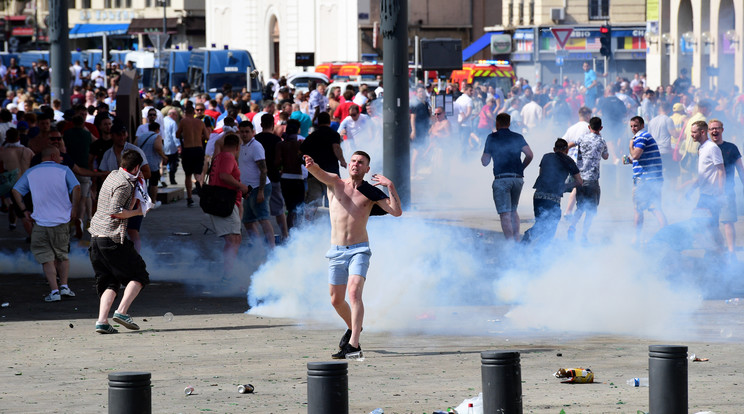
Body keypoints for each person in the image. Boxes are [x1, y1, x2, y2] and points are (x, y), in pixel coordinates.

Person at [303, 150, 402, 359]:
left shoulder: (370, 192)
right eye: (354, 161)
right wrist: (311, 164)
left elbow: (396, 211)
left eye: (361, 162)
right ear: (349, 165)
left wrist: (390, 186)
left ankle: (354, 346)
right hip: (336, 251)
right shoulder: (336, 183)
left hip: (359, 249)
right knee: (336, 300)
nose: (356, 164)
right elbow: (319, 173)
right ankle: (354, 328)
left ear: (367, 169)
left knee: (354, 292)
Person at [88, 149, 150, 334]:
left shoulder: (113, 175)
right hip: (111, 238)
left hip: (96, 238)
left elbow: (124, 205)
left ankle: (102, 321)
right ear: (137, 167)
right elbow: (116, 211)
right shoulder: (125, 184)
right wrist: (140, 211)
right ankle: (122, 312)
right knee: (139, 275)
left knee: (109, 281)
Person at [12, 146, 80, 302]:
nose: (61, 158)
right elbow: (76, 187)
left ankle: (54, 291)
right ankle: (64, 287)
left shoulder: (31, 172)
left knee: (46, 258)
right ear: (54, 156)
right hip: (61, 220)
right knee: (62, 255)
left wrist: (24, 210)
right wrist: (74, 208)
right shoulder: (64, 170)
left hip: (40, 223)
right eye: (60, 156)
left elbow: (16, 190)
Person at [481, 113, 533, 241]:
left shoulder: (492, 138)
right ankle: (516, 240)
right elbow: (530, 155)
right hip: (517, 179)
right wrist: (521, 168)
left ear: (497, 123)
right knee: (513, 210)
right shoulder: (518, 137)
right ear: (509, 124)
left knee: (505, 213)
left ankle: (510, 246)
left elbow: (485, 162)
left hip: (502, 179)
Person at [100, 122, 151, 252]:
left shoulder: (135, 151)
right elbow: (102, 175)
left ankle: (136, 257)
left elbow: (147, 172)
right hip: (115, 196)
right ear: (112, 136)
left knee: (132, 229)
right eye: (119, 135)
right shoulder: (108, 154)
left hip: (135, 195)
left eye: (124, 134)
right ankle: (119, 258)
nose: (122, 137)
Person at [521, 139, 582, 245]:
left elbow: (541, 174)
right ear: (567, 150)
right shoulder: (569, 161)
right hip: (553, 198)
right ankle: (538, 251)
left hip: (538, 195)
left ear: (554, 149)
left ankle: (523, 247)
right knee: (550, 228)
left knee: (540, 223)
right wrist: (565, 186)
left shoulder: (546, 156)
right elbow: (579, 181)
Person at [207, 134, 251, 272]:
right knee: (234, 240)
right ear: (238, 147)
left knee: (234, 239)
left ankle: (228, 274)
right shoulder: (227, 156)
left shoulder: (219, 156)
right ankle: (228, 276)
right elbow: (224, 175)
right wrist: (242, 186)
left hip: (222, 201)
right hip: (224, 202)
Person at [567, 117, 609, 242]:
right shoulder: (602, 141)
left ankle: (572, 227)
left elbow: (569, 145)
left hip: (580, 178)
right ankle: (584, 236)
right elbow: (606, 157)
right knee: (591, 210)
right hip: (592, 180)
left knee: (580, 207)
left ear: (589, 127)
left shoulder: (582, 138)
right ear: (601, 128)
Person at [627, 116, 667, 244]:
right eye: (632, 126)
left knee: (641, 209)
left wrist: (630, 145)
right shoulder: (642, 137)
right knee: (655, 208)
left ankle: (636, 239)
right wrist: (627, 159)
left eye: (636, 126)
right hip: (651, 178)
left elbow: (635, 155)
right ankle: (666, 237)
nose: (633, 128)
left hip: (645, 180)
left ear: (642, 125)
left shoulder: (642, 137)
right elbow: (635, 157)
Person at [688, 120, 725, 251]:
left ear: (702, 132)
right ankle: (717, 253)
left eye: (694, 132)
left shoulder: (712, 148)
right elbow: (703, 174)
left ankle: (719, 254)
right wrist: (691, 190)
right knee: (709, 226)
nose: (691, 134)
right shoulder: (702, 148)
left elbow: (721, 170)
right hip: (705, 194)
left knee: (704, 224)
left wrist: (720, 194)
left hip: (712, 196)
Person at [238, 120, 276, 248]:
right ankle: (258, 247)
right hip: (248, 190)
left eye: (247, 132)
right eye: (242, 132)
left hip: (259, 187)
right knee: (248, 221)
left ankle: (272, 249)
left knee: (263, 218)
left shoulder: (256, 146)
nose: (244, 134)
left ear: (253, 132)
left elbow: (264, 169)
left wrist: (260, 191)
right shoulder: (242, 145)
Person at [709, 119, 743, 258]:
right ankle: (718, 249)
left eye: (717, 128)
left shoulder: (731, 148)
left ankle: (731, 252)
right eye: (712, 129)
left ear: (722, 130)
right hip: (709, 191)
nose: (714, 131)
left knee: (727, 221)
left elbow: (740, 169)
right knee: (711, 223)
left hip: (727, 191)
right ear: (708, 131)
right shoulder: (705, 148)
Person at [301, 112, 346, 214]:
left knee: (312, 203)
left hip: (314, 174)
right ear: (329, 122)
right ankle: (332, 225)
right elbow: (336, 148)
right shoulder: (334, 134)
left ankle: (308, 226)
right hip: (331, 174)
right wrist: (342, 161)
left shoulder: (312, 136)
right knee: (333, 201)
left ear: (318, 122)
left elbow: (302, 150)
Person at [254, 114, 289, 242]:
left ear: (261, 125)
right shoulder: (277, 140)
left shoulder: (255, 139)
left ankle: (261, 237)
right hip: (274, 177)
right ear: (273, 125)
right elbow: (282, 160)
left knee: (259, 211)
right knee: (279, 209)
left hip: (257, 179)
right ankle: (285, 235)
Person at [561, 106, 593, 217]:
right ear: (588, 115)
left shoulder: (572, 128)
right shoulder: (588, 128)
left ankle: (567, 210)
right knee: (578, 185)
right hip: (580, 162)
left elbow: (562, 142)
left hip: (570, 160)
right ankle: (569, 211)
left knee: (575, 185)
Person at [177, 103, 209, 207]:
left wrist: (185, 133)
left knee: (188, 174)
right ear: (194, 112)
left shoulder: (183, 121)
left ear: (186, 113)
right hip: (198, 149)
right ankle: (201, 192)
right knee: (198, 174)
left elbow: (177, 135)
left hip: (188, 149)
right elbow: (207, 136)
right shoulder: (200, 122)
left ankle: (189, 198)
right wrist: (199, 136)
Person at [275, 119, 306, 231]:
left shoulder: (281, 145)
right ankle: (297, 234)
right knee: (298, 209)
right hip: (298, 178)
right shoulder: (300, 144)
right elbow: (304, 161)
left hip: (285, 179)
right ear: (297, 132)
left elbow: (277, 163)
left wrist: (283, 164)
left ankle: (289, 234)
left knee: (290, 209)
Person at [135, 122, 168, 209]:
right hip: (152, 164)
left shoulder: (140, 136)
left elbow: (134, 146)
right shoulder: (157, 136)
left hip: (141, 163)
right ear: (158, 129)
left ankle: (142, 202)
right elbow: (157, 147)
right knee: (154, 183)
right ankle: (153, 202)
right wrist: (163, 156)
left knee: (142, 183)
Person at [163, 108, 180, 185]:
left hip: (162, 145)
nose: (176, 117)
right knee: (173, 163)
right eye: (176, 115)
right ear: (172, 114)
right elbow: (175, 135)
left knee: (163, 164)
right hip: (171, 146)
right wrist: (178, 145)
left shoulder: (162, 120)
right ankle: (172, 179)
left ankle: (162, 180)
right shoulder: (173, 123)